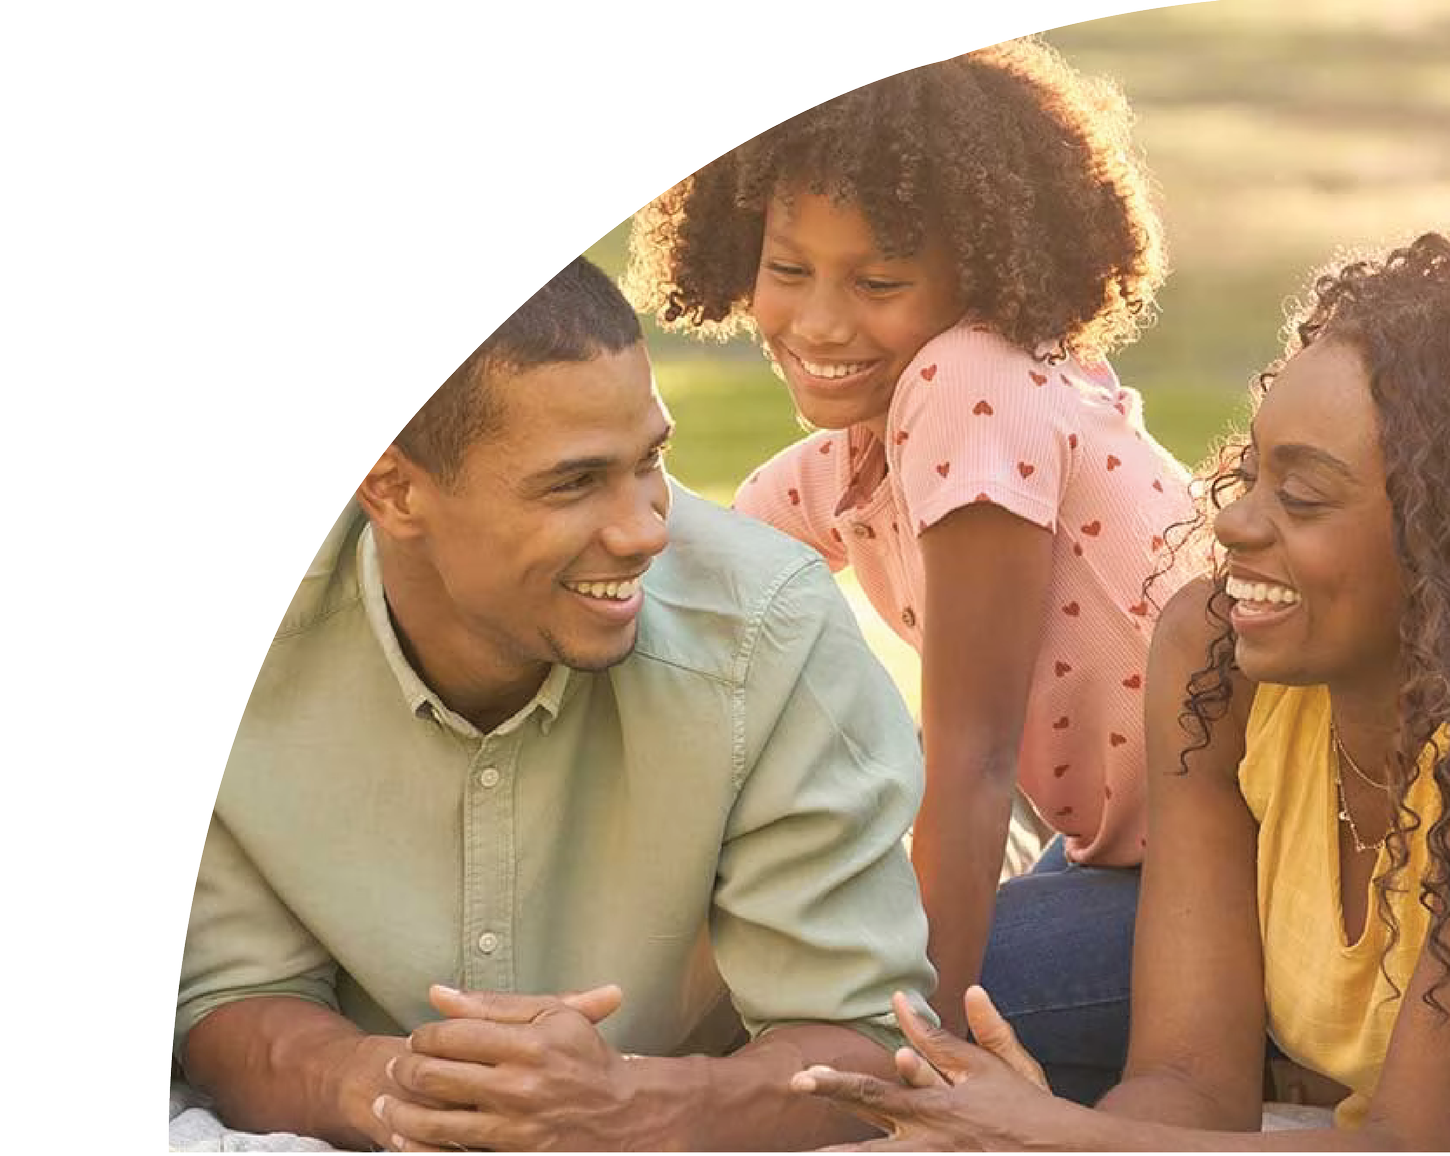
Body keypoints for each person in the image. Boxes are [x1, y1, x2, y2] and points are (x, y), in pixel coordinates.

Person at [169, 255, 937, 1151]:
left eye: (650, 460)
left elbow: (864, 1049)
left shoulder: (770, 628)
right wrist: (395, 1090)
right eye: (574, 482)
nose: (644, 529)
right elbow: (229, 997)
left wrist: (629, 1108)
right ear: (393, 489)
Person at [621, 35, 1203, 1094]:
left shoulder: (974, 386)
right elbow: (685, 589)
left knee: (834, 1003)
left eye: (879, 280)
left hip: (1236, 884)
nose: (820, 321)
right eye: (787, 269)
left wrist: (917, 1060)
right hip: (1125, 861)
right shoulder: (848, 460)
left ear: (980, 273)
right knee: (792, 964)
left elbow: (972, 761)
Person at [787, 231, 1450, 1149]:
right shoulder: (1217, 663)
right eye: (1252, 472)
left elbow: (1409, 1147)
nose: (1233, 519)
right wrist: (1044, 1132)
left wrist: (1056, 1138)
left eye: (1301, 497)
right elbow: (1186, 1082)